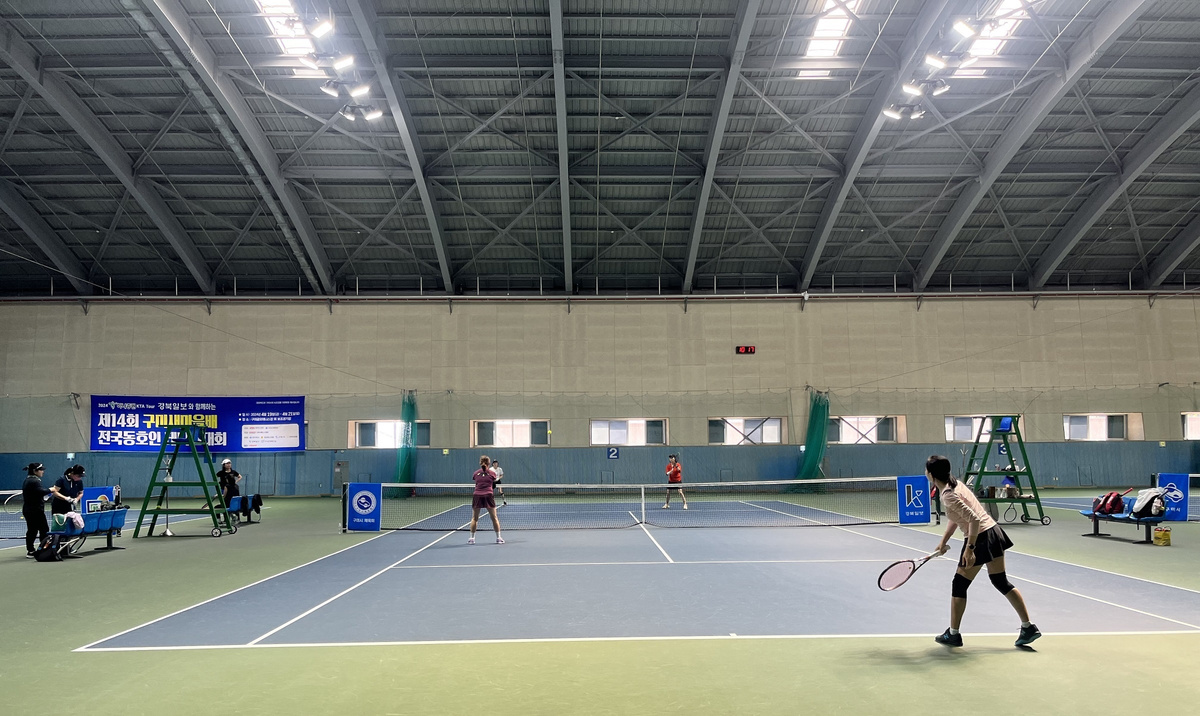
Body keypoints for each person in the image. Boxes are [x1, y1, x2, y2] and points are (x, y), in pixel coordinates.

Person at [927, 455, 1040, 648]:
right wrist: (943, 541)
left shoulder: (948, 495)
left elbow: (973, 520)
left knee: (959, 585)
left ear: (931, 474)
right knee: (1000, 581)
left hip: (979, 537)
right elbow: (957, 517)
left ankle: (953, 634)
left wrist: (970, 548)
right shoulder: (956, 485)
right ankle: (1028, 627)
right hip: (993, 531)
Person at [469, 455, 503, 544]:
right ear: (489, 463)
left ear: (480, 463)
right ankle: (498, 538)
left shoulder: (475, 473)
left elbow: (477, 482)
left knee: (474, 518)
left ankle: (472, 539)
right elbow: (493, 481)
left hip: (477, 495)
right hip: (488, 495)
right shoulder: (492, 473)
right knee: (494, 518)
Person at [22, 462, 50, 558]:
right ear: (35, 471)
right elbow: (41, 492)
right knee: (43, 529)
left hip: (31, 510)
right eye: (41, 470)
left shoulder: (29, 480)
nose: (42, 472)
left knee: (32, 530)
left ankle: (31, 550)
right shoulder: (34, 481)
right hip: (35, 510)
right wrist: (51, 490)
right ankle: (42, 549)